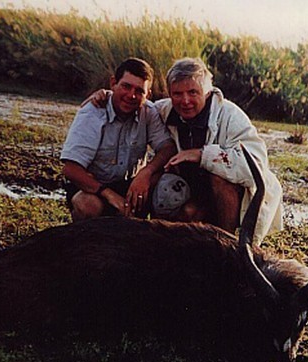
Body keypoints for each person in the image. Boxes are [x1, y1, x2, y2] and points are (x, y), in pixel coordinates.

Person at [87, 58, 283, 244]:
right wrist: (107, 96)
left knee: (221, 179)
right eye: (177, 94)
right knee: (165, 184)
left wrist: (202, 155)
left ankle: (227, 244)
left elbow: (256, 167)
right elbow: (132, 106)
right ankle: (156, 242)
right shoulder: (162, 111)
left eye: (193, 92)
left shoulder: (231, 116)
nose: (185, 101)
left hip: (227, 200)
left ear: (207, 92)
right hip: (191, 192)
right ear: (170, 94)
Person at [61, 57, 176, 221]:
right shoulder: (92, 112)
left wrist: (146, 173)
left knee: (167, 185)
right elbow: (70, 169)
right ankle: (86, 242)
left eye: (139, 91)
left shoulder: (149, 112)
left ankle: (150, 235)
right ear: (113, 83)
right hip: (94, 187)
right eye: (126, 86)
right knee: (87, 204)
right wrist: (109, 195)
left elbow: (168, 147)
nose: (132, 95)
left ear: (148, 94)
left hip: (131, 184)